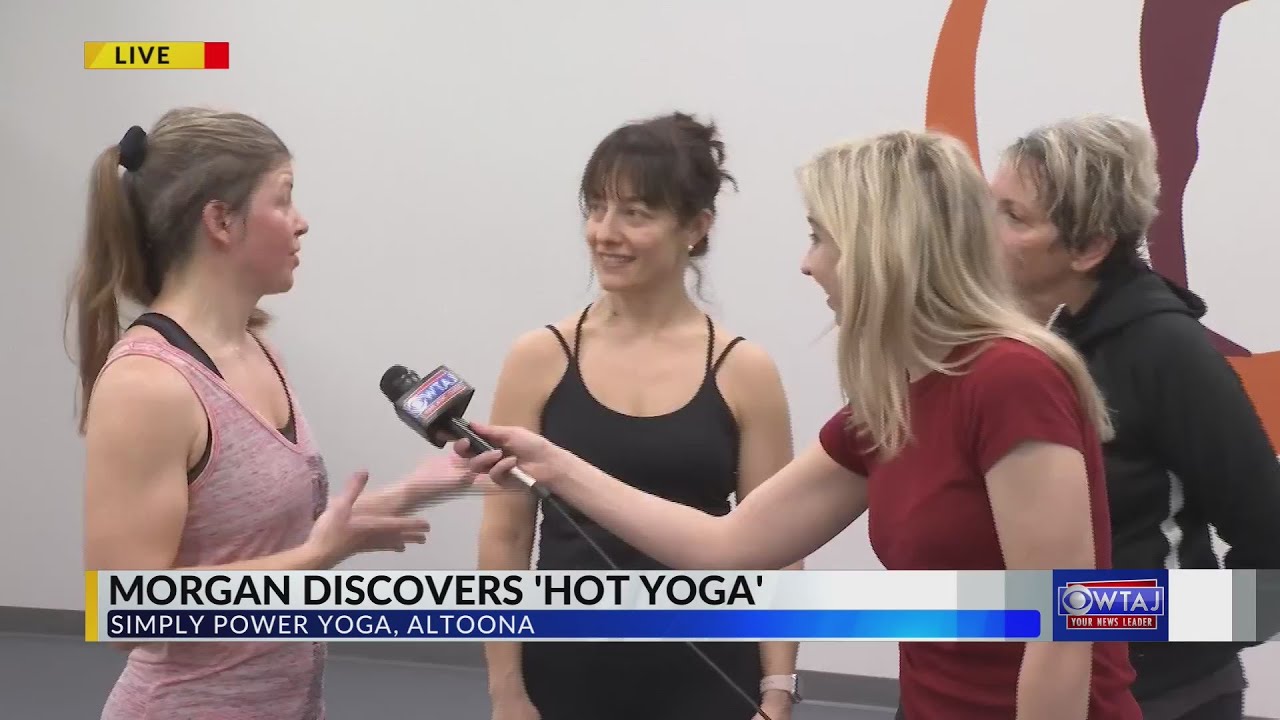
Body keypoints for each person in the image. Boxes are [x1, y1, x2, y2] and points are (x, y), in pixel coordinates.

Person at [459, 129, 1146, 720]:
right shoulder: (890, 402)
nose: (806, 262)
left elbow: (1063, 627)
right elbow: (730, 545)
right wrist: (554, 464)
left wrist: (777, 688)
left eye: (821, 238)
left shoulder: (1011, 380)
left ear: (883, 249)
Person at [71, 108, 475, 720]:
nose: (301, 221)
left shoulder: (258, 350)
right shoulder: (148, 385)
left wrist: (426, 485)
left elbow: (264, 541)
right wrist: (319, 558)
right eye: (283, 199)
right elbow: (124, 612)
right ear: (221, 221)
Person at [475, 111, 801, 720]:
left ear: (696, 227)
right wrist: (506, 690)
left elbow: (779, 545)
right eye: (596, 208)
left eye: (636, 213)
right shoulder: (538, 358)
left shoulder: (745, 371)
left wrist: (777, 689)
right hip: (564, 675)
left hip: (711, 678)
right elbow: (506, 535)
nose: (605, 232)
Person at [990, 113, 1280, 720]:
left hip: (1164, 699)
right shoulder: (1042, 340)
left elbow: (1271, 551)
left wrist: (1148, 637)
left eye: (1013, 217)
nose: (985, 231)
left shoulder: (1167, 351)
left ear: (1090, 247)